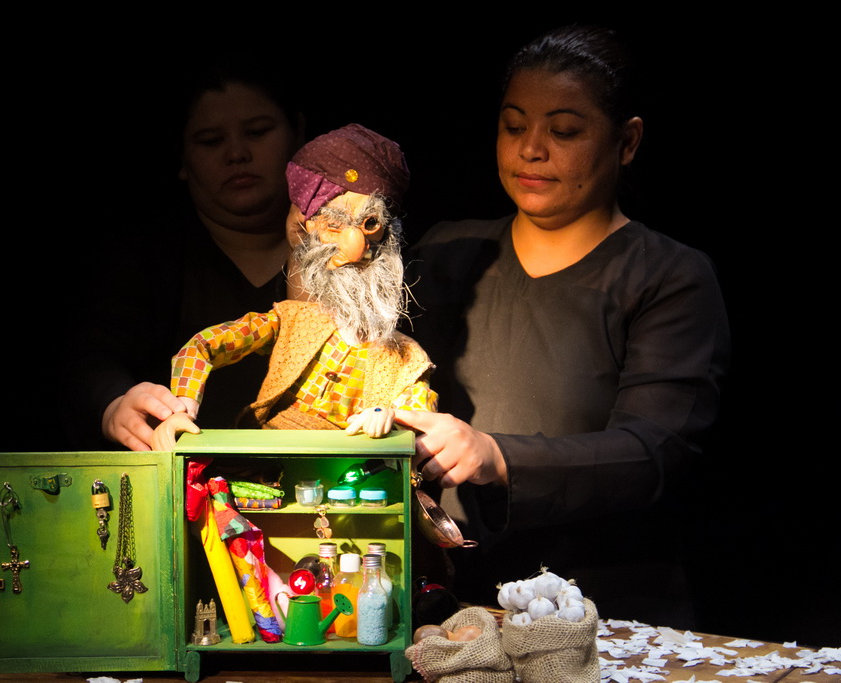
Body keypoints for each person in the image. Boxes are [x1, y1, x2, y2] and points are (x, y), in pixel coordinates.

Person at [394, 25, 730, 629]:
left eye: (565, 131)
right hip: (449, 605)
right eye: (514, 126)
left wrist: (497, 456)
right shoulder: (446, 253)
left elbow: (654, 450)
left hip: (604, 608)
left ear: (627, 142)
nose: (531, 149)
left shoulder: (666, 276)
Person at [61, 62, 306, 451]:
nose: (237, 153)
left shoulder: (356, 249)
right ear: (182, 157)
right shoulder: (144, 258)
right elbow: (90, 357)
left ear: (298, 134)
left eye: (257, 132)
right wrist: (114, 404)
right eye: (210, 140)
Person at [153, 124, 437, 450]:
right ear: (307, 230)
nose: (355, 247)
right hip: (270, 459)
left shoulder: (406, 357)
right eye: (334, 225)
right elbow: (204, 346)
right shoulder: (290, 322)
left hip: (349, 467)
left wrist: (392, 418)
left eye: (370, 224)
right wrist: (182, 408)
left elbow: (423, 415)